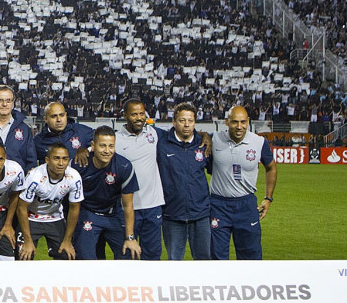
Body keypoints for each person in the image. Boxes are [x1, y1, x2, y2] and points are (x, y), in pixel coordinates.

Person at [208, 106, 276, 260]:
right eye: (235, 122)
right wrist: (205, 136)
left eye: (243, 122)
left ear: (248, 122)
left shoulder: (259, 142)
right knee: (216, 259)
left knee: (250, 258)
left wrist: (268, 198)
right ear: (226, 122)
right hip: (219, 205)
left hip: (246, 204)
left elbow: (271, 167)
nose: (239, 127)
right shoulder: (214, 139)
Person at [73, 127, 141, 260]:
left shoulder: (124, 167)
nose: (107, 151)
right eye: (102, 146)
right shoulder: (79, 165)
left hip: (114, 215)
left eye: (111, 146)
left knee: (129, 253)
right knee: (85, 258)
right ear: (93, 146)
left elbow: (128, 206)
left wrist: (130, 237)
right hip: (88, 213)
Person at [157, 102, 212, 260]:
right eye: (182, 120)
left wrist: (206, 136)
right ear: (174, 122)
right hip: (172, 215)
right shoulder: (161, 143)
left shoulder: (203, 144)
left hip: (200, 214)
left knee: (204, 262)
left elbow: (215, 170)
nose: (187, 124)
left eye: (190, 120)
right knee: (174, 262)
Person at [114, 99, 164, 260]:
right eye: (134, 114)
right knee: (127, 255)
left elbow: (179, 136)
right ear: (125, 116)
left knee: (153, 256)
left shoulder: (154, 133)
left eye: (141, 113)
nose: (139, 118)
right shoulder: (115, 139)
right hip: (127, 208)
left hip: (153, 206)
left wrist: (204, 136)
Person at [17, 143, 84, 260]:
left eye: (65, 159)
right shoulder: (34, 177)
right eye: (56, 158)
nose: (61, 163)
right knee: (24, 256)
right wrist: (27, 241)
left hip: (55, 217)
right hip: (31, 217)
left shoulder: (74, 177)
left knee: (66, 254)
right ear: (47, 160)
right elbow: (21, 207)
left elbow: (75, 208)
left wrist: (67, 240)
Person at [32, 102, 92, 166]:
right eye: (54, 116)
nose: (59, 119)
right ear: (46, 119)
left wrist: (87, 149)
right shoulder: (37, 142)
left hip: (81, 175)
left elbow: (100, 141)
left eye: (62, 115)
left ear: (66, 115)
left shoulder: (80, 130)